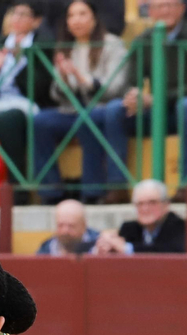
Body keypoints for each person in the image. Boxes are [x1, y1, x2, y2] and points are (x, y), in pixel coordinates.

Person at [98, 0, 187, 204]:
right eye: (159, 6)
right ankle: (117, 186)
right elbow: (130, 81)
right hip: (155, 111)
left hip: (185, 111)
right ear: (150, 11)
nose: (165, 11)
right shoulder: (143, 39)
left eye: (170, 5)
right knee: (115, 109)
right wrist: (133, 95)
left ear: (182, 8)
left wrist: (156, 99)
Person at [30, 0, 128, 203]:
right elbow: (56, 95)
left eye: (82, 14)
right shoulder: (66, 47)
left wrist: (82, 79)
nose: (76, 20)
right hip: (72, 110)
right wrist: (65, 79)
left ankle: (93, 191)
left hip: (102, 107)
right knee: (40, 121)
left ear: (94, 18)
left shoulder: (113, 44)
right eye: (71, 16)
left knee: (88, 119)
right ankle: (50, 191)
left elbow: (115, 87)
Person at [0, 0, 54, 200]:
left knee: (7, 120)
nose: (17, 19)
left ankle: (18, 188)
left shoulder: (42, 44)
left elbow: (38, 88)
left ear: (36, 21)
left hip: (25, 102)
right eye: (14, 13)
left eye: (23, 14)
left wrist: (16, 63)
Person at [94, 177, 187, 252]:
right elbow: (117, 248)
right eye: (140, 204)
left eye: (152, 202)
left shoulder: (179, 226)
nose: (145, 209)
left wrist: (127, 248)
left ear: (166, 205)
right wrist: (106, 245)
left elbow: (171, 252)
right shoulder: (129, 229)